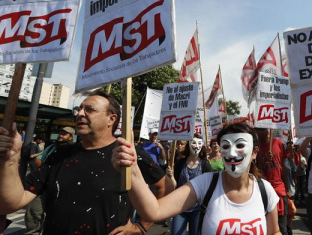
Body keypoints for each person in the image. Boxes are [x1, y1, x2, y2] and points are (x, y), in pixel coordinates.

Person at [0, 89, 173, 234]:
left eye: (89, 109)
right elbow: (12, 203)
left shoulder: (127, 153)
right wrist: (11, 158)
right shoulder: (60, 155)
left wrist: (141, 227)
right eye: (80, 109)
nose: (80, 114)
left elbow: (165, 188)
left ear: (111, 119)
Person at [111, 122, 281, 234]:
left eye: (240, 145)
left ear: (254, 153)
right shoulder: (206, 183)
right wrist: (132, 169)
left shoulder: (265, 190)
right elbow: (155, 211)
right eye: (226, 146)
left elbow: (274, 232)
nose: (231, 153)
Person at [170, 134, 212, 235]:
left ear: (202, 145)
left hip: (198, 209)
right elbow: (175, 185)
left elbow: (209, 187)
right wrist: (170, 176)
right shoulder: (180, 163)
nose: (196, 146)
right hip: (180, 207)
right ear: (188, 144)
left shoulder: (205, 164)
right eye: (193, 142)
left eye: (199, 143)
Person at [255, 127, 289, 235]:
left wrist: (288, 191)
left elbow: (284, 167)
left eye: (263, 129)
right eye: (258, 129)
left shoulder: (278, 143)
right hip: (263, 193)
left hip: (280, 191)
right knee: (266, 228)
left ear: (268, 129)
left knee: (282, 228)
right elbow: (253, 172)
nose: (261, 132)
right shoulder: (255, 148)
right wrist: (262, 162)